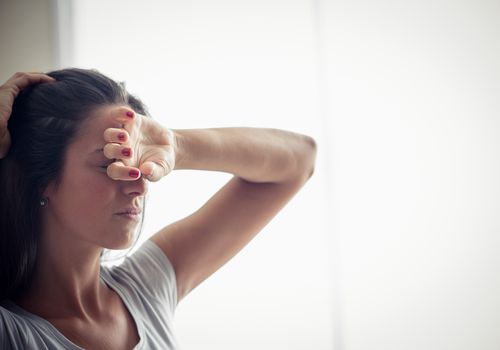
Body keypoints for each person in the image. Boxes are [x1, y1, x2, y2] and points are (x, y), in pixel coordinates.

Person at [0, 69, 317, 349]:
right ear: (40, 177)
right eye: (110, 163)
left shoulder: (146, 287)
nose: (138, 185)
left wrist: (176, 146)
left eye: (137, 162)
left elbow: (300, 159)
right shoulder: (11, 332)